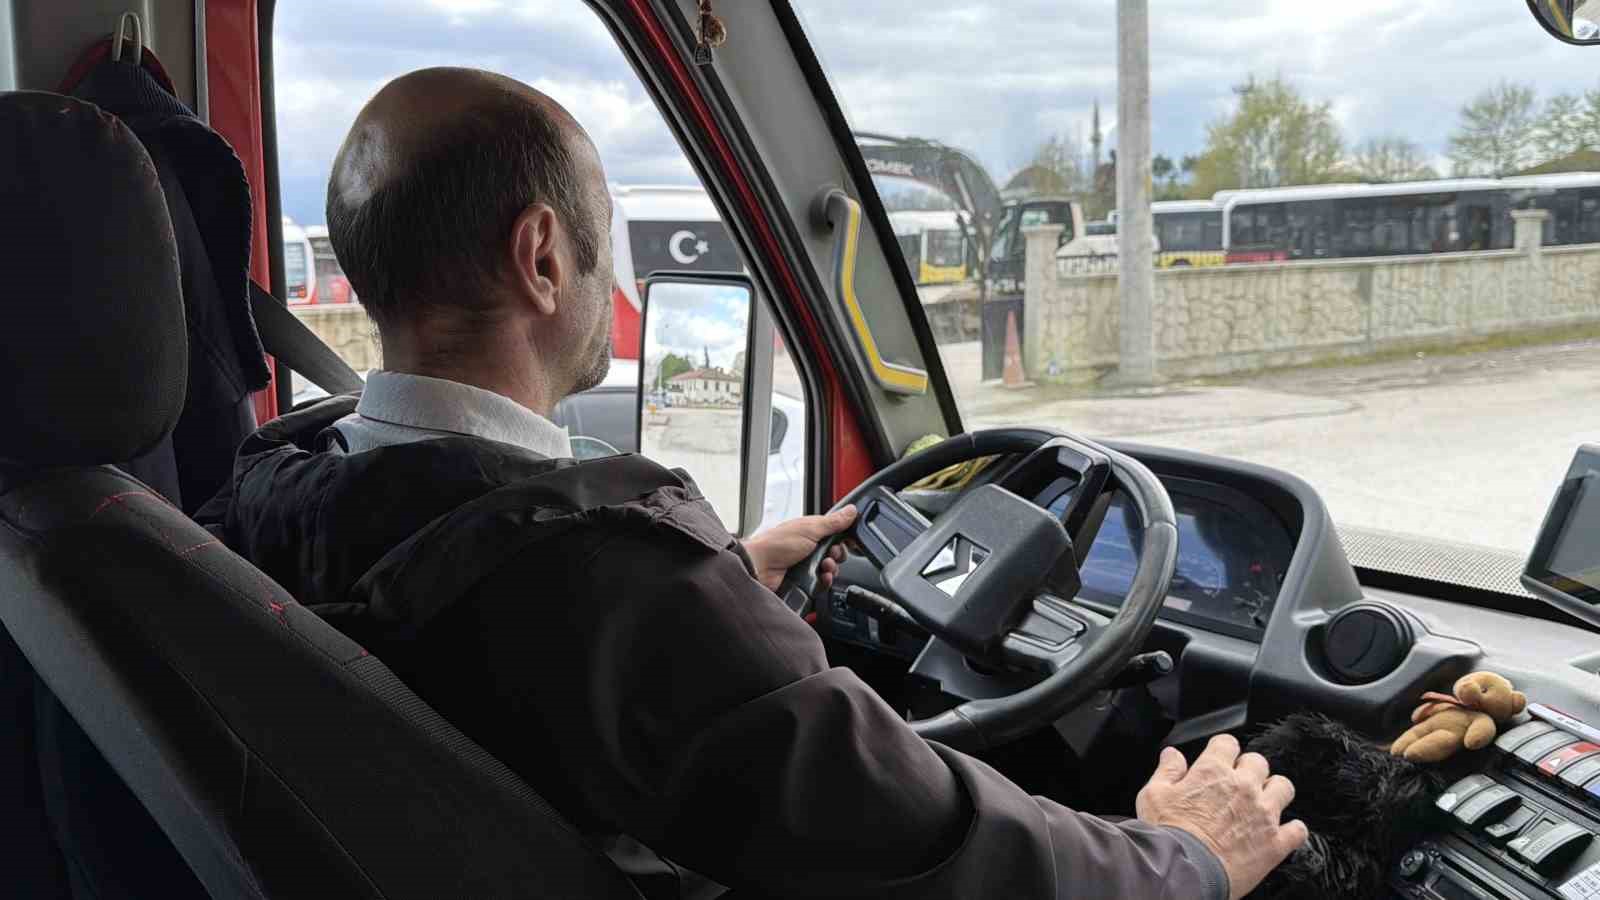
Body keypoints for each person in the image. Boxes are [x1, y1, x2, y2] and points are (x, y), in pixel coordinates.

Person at [202, 67, 1305, 899]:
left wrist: (720, 582)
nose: (614, 274)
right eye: (607, 240)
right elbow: (943, 852)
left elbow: (515, 651)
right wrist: (1185, 857)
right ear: (543, 257)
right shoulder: (614, 585)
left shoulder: (264, 497)